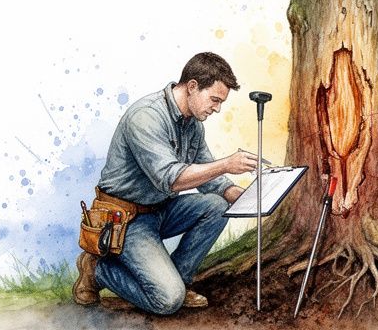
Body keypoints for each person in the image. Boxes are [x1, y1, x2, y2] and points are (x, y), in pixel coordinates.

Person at [72, 52, 258, 314]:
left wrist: (241, 195)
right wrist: (227, 163)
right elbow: (170, 179)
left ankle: (179, 281)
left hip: (161, 210)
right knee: (167, 301)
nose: (217, 108)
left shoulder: (193, 124)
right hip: (125, 221)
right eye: (215, 100)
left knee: (216, 206)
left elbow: (210, 178)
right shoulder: (146, 116)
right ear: (192, 86)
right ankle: (98, 271)